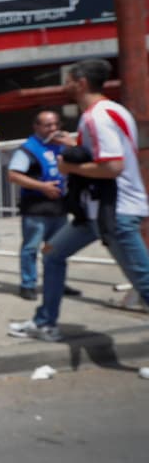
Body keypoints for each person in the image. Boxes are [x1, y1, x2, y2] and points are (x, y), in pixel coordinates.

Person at [9, 58, 149, 342]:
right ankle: (45, 323)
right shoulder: (111, 110)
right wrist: (75, 147)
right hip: (95, 212)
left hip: (114, 213)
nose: (66, 85)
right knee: (52, 254)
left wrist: (67, 167)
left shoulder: (96, 117)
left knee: (144, 282)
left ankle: (45, 321)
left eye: (69, 80)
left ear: (81, 83)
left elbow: (112, 167)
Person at [6, 110, 70, 300]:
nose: (53, 129)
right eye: (48, 125)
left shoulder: (61, 146)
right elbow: (13, 175)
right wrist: (42, 186)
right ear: (36, 127)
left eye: (56, 124)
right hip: (36, 208)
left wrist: (73, 146)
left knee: (58, 249)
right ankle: (28, 284)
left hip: (59, 207)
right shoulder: (28, 148)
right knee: (31, 248)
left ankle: (58, 282)